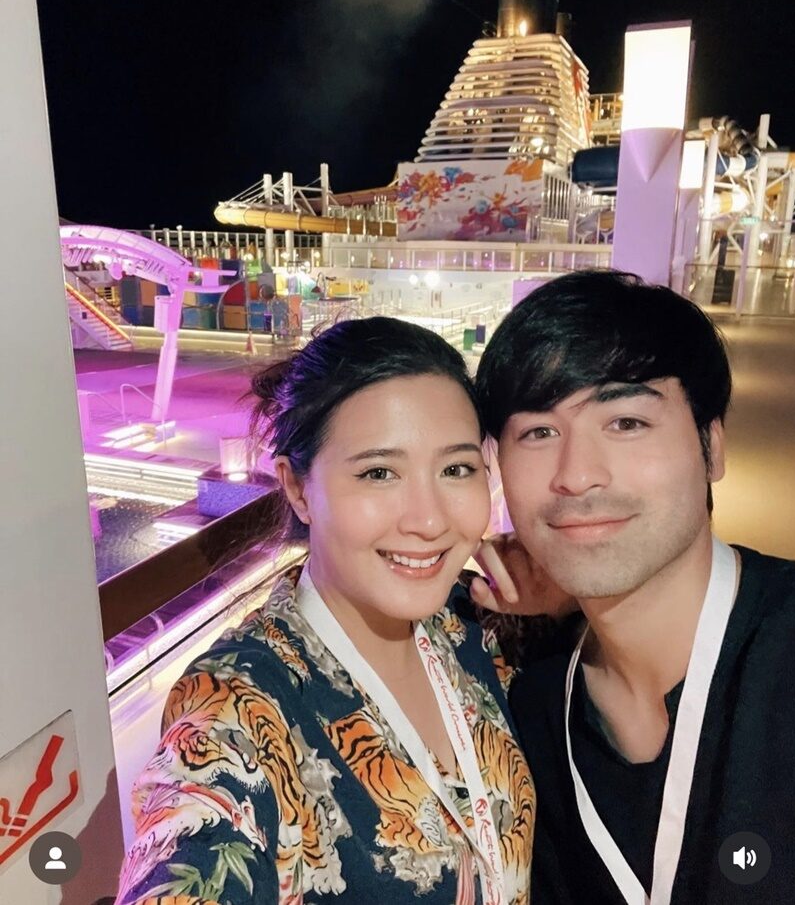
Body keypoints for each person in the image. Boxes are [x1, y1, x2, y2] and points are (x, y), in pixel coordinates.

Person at [114, 316, 534, 905]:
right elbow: (194, 842)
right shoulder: (237, 705)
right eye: (379, 473)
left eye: (455, 469)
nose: (430, 519)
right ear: (296, 488)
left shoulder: (471, 621)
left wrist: (562, 595)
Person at [471, 270, 795, 904]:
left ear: (711, 447)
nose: (577, 476)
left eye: (625, 422)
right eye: (538, 433)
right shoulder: (531, 715)